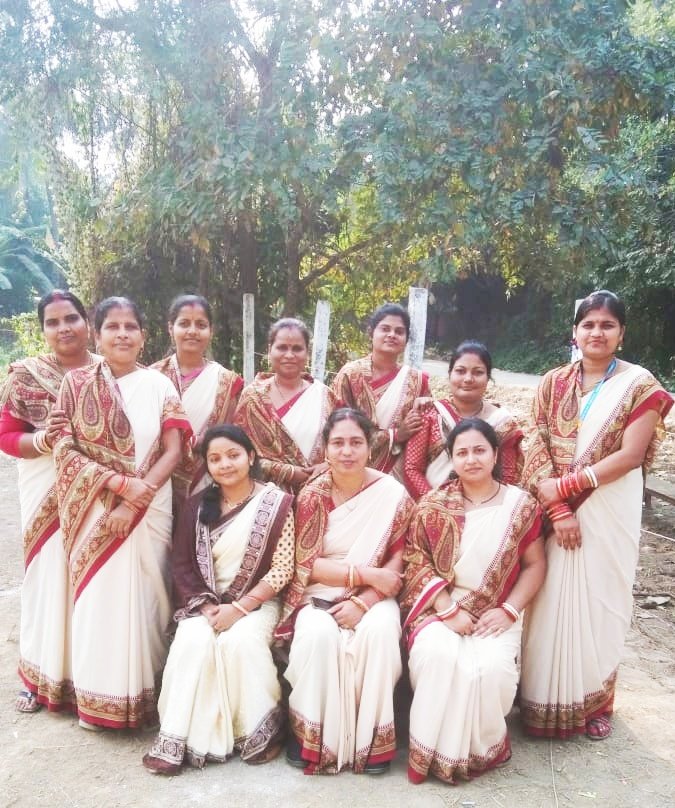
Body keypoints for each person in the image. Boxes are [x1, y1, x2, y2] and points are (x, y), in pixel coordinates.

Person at [519, 290, 673, 740]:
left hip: (608, 507)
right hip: (557, 513)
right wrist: (557, 508)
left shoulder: (640, 385)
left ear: (621, 333)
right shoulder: (552, 382)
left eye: (607, 325)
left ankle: (595, 703)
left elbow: (631, 455)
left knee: (602, 601)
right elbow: (534, 442)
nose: (597, 332)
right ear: (575, 332)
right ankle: (538, 699)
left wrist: (567, 488)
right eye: (588, 324)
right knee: (550, 601)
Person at [54, 296, 192, 730]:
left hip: (149, 509)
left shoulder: (159, 385)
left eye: (131, 327)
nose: (122, 335)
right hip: (93, 510)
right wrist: (116, 485)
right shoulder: (75, 383)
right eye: (112, 327)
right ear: (97, 336)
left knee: (150, 599)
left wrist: (134, 500)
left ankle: (147, 700)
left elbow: (174, 450)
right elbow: (64, 449)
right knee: (99, 601)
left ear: (144, 336)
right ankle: (98, 701)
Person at [143, 425, 295, 775]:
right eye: (215, 459)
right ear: (208, 466)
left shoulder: (277, 503)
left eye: (233, 455)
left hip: (258, 603)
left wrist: (239, 609)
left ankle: (258, 734)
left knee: (240, 643)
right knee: (192, 641)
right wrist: (208, 607)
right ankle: (179, 739)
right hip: (205, 604)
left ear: (250, 456)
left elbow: (283, 569)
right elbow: (181, 564)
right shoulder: (197, 506)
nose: (225, 464)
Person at [401, 418, 545, 785]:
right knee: (437, 657)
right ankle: (432, 752)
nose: (471, 459)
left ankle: (479, 750)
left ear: (496, 454)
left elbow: (535, 565)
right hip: (440, 608)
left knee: (490, 671)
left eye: (480, 450)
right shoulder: (433, 504)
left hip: (497, 611)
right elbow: (416, 561)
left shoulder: (521, 505)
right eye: (462, 452)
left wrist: (508, 610)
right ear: (451, 459)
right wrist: (447, 609)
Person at [276, 408, 414, 774]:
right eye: (338, 443)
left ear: (370, 447)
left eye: (356, 442)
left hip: (375, 594)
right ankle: (310, 737)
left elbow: (400, 556)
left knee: (380, 632)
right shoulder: (313, 495)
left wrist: (366, 601)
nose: (347, 451)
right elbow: (306, 565)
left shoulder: (392, 493)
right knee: (317, 636)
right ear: (325, 449)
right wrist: (361, 575)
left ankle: (372, 744)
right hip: (321, 589)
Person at [0, 290, 97, 713]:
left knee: (92, 579)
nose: (64, 328)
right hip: (44, 487)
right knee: (47, 579)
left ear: (87, 322)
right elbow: (6, 436)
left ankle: (90, 676)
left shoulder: (111, 370)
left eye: (71, 318)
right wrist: (43, 440)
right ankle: (38, 676)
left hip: (97, 490)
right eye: (53, 322)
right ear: (42, 330)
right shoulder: (25, 375)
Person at [151, 294, 243, 505]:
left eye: (201, 325)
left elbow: (230, 434)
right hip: (156, 482)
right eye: (184, 324)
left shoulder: (226, 381)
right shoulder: (152, 376)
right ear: (170, 328)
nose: (192, 331)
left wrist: (203, 442)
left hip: (208, 482)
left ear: (211, 331)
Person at [404, 340, 524, 499]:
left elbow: (508, 476)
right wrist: (436, 504)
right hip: (432, 506)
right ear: (450, 374)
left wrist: (485, 505)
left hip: (487, 506)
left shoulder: (503, 423)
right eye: (460, 371)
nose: (468, 379)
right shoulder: (430, 414)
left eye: (478, 372)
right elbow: (412, 468)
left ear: (488, 377)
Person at [235, 317, 336, 491]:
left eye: (297, 349)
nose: (289, 355)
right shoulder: (253, 397)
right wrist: (288, 472)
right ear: (269, 350)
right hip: (264, 495)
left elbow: (342, 444)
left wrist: (327, 465)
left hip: (318, 493)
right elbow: (238, 452)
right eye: (282, 347)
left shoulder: (325, 396)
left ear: (307, 353)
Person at [331, 303, 429, 478]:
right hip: (351, 470)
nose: (392, 335)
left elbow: (426, 431)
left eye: (399, 331)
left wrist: (427, 405)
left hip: (398, 475)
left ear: (406, 339)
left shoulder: (417, 381)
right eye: (385, 329)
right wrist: (395, 435)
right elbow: (334, 426)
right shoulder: (351, 374)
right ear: (371, 333)